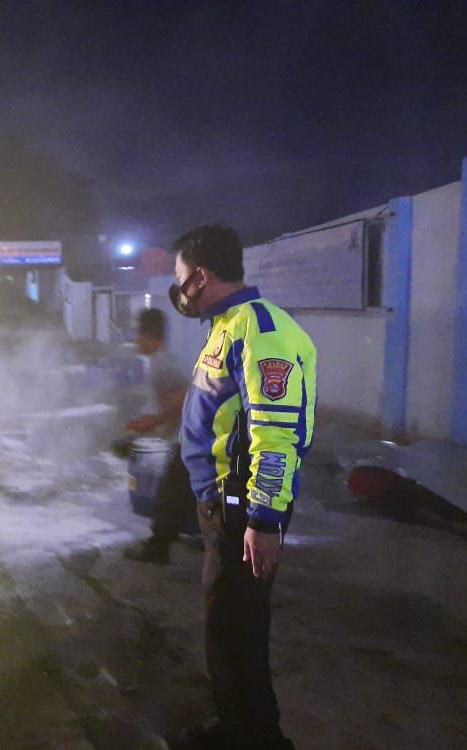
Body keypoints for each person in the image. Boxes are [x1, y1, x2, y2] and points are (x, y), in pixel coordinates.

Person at [164, 224, 316, 750]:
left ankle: (255, 737)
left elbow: (276, 438)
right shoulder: (228, 324)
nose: (180, 289)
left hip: (241, 509)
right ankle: (243, 728)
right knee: (231, 629)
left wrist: (264, 522)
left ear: (201, 276)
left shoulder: (261, 330)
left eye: (181, 279)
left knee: (235, 632)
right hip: (221, 503)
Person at [119, 308, 202, 564]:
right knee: (194, 491)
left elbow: (187, 397)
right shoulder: (161, 360)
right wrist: (146, 425)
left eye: (138, 335)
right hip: (198, 433)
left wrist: (152, 421)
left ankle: (158, 549)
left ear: (149, 337)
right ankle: (209, 535)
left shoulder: (163, 364)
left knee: (170, 491)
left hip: (196, 434)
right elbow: (171, 407)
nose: (135, 341)